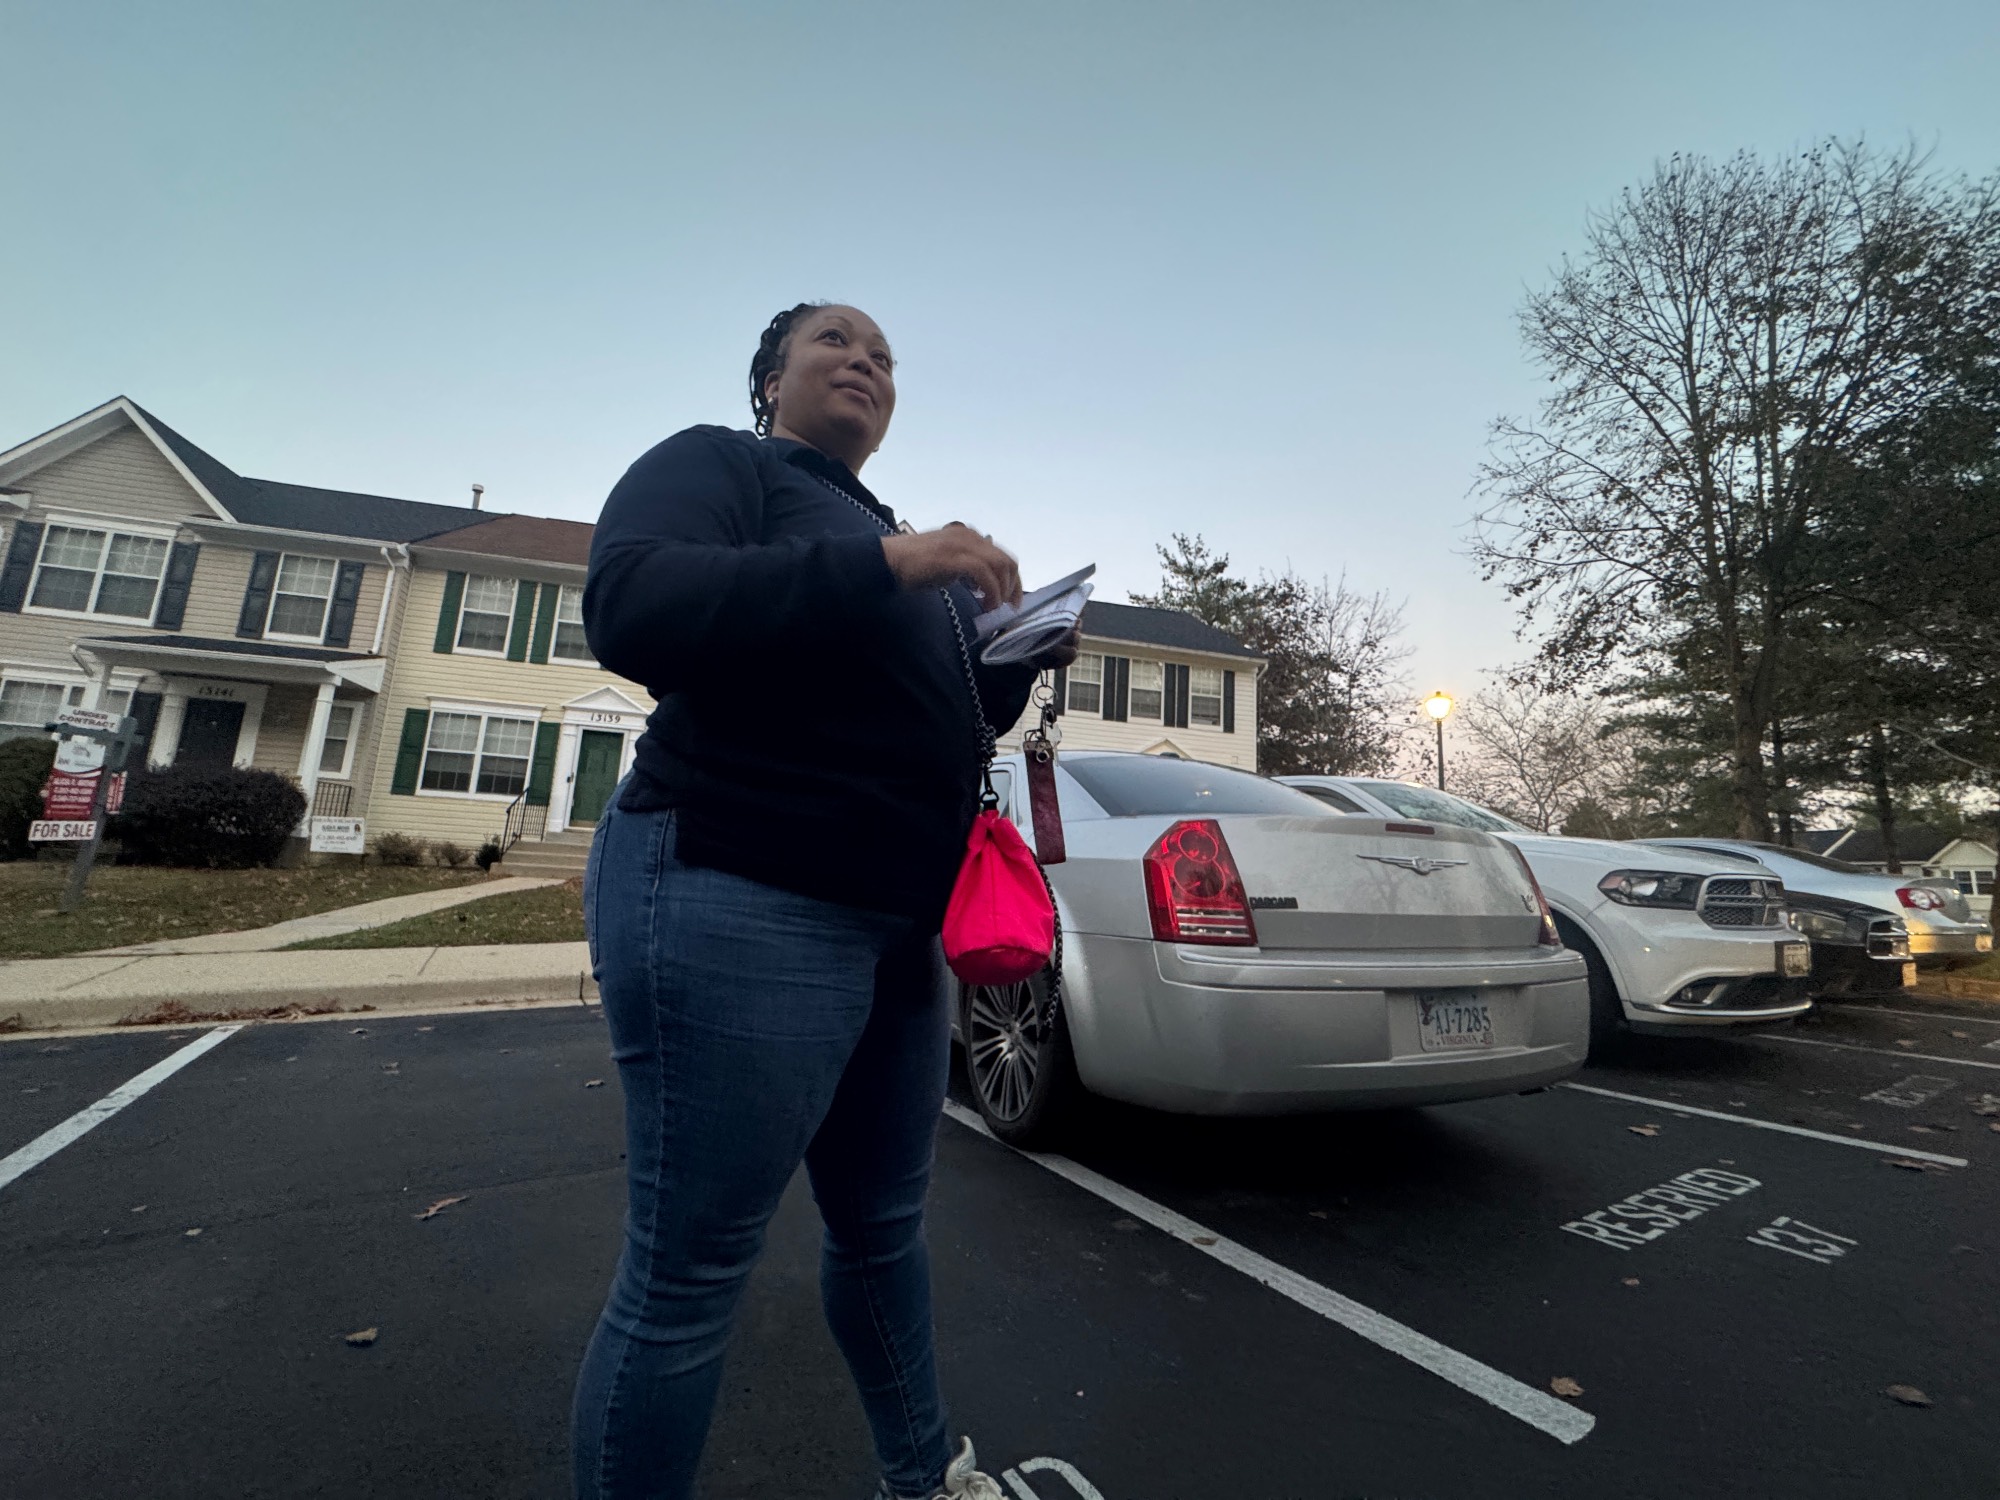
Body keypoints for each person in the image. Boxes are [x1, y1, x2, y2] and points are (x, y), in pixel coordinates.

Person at [573, 302, 1077, 1500]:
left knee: (883, 1233)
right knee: (693, 1267)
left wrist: (1012, 659)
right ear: (769, 379)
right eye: (835, 343)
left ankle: (922, 1480)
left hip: (899, 924)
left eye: (884, 357)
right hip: (739, 878)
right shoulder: (725, 467)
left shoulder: (898, 544)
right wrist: (892, 563)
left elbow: (939, 718)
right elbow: (631, 603)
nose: (865, 362)